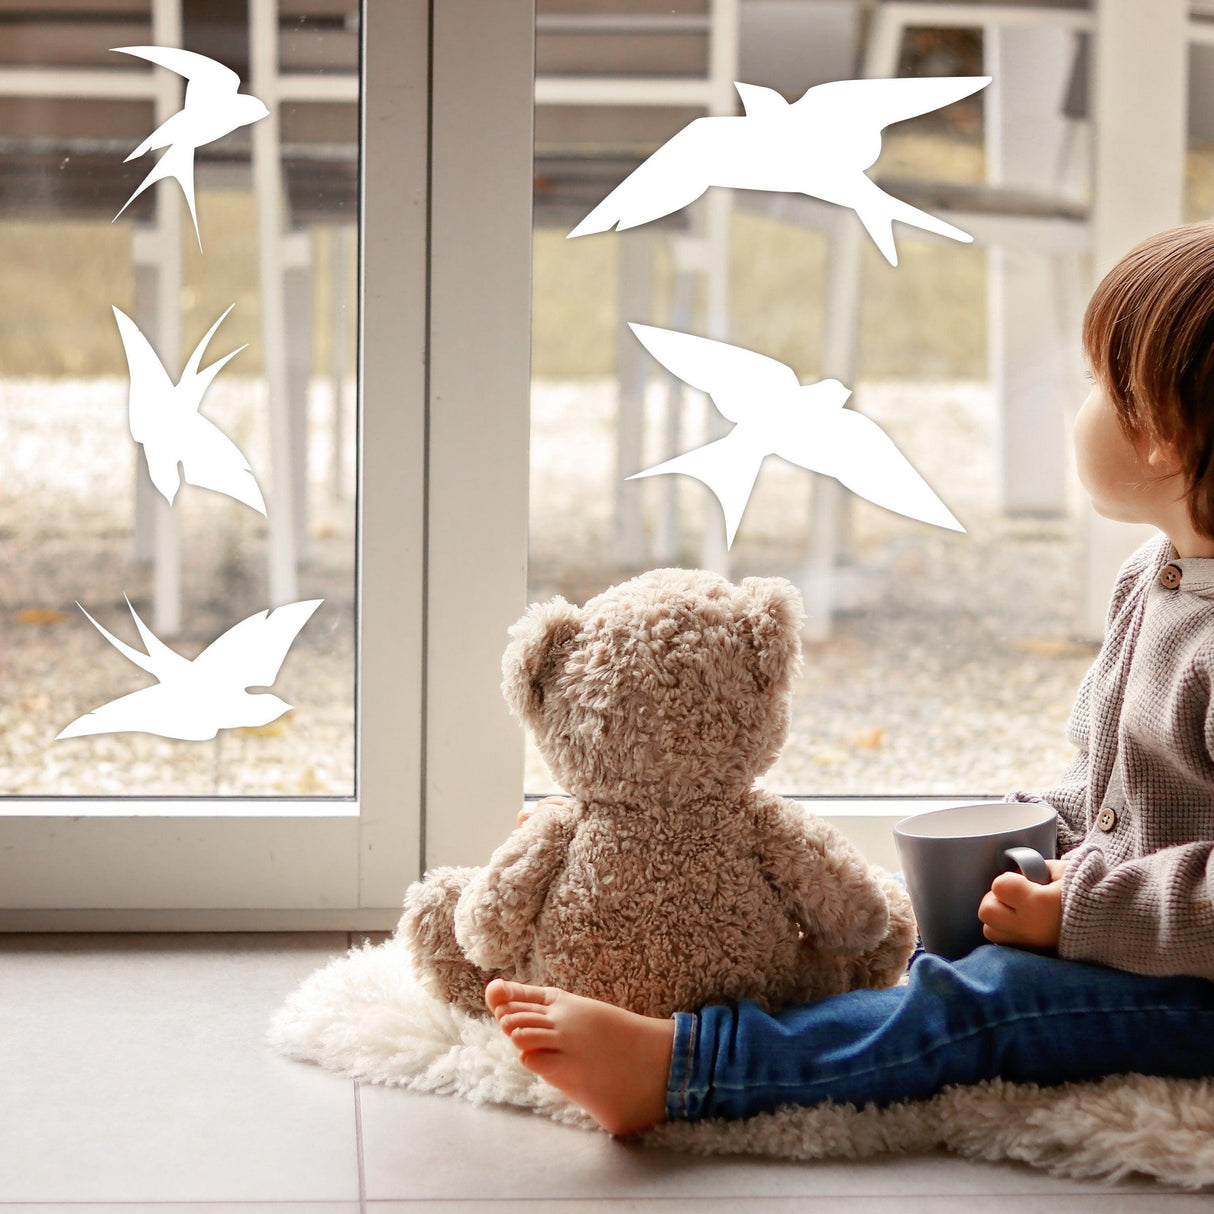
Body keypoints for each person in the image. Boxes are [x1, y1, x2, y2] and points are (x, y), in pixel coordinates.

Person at [484, 222, 1214, 1137]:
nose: (1083, 405)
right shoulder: (1155, 577)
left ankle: (688, 1067)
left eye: (1102, 385)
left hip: (1194, 983)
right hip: (1132, 929)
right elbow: (1112, 783)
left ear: (1166, 435)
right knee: (949, 943)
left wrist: (1085, 912)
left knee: (991, 1002)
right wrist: (1036, 835)